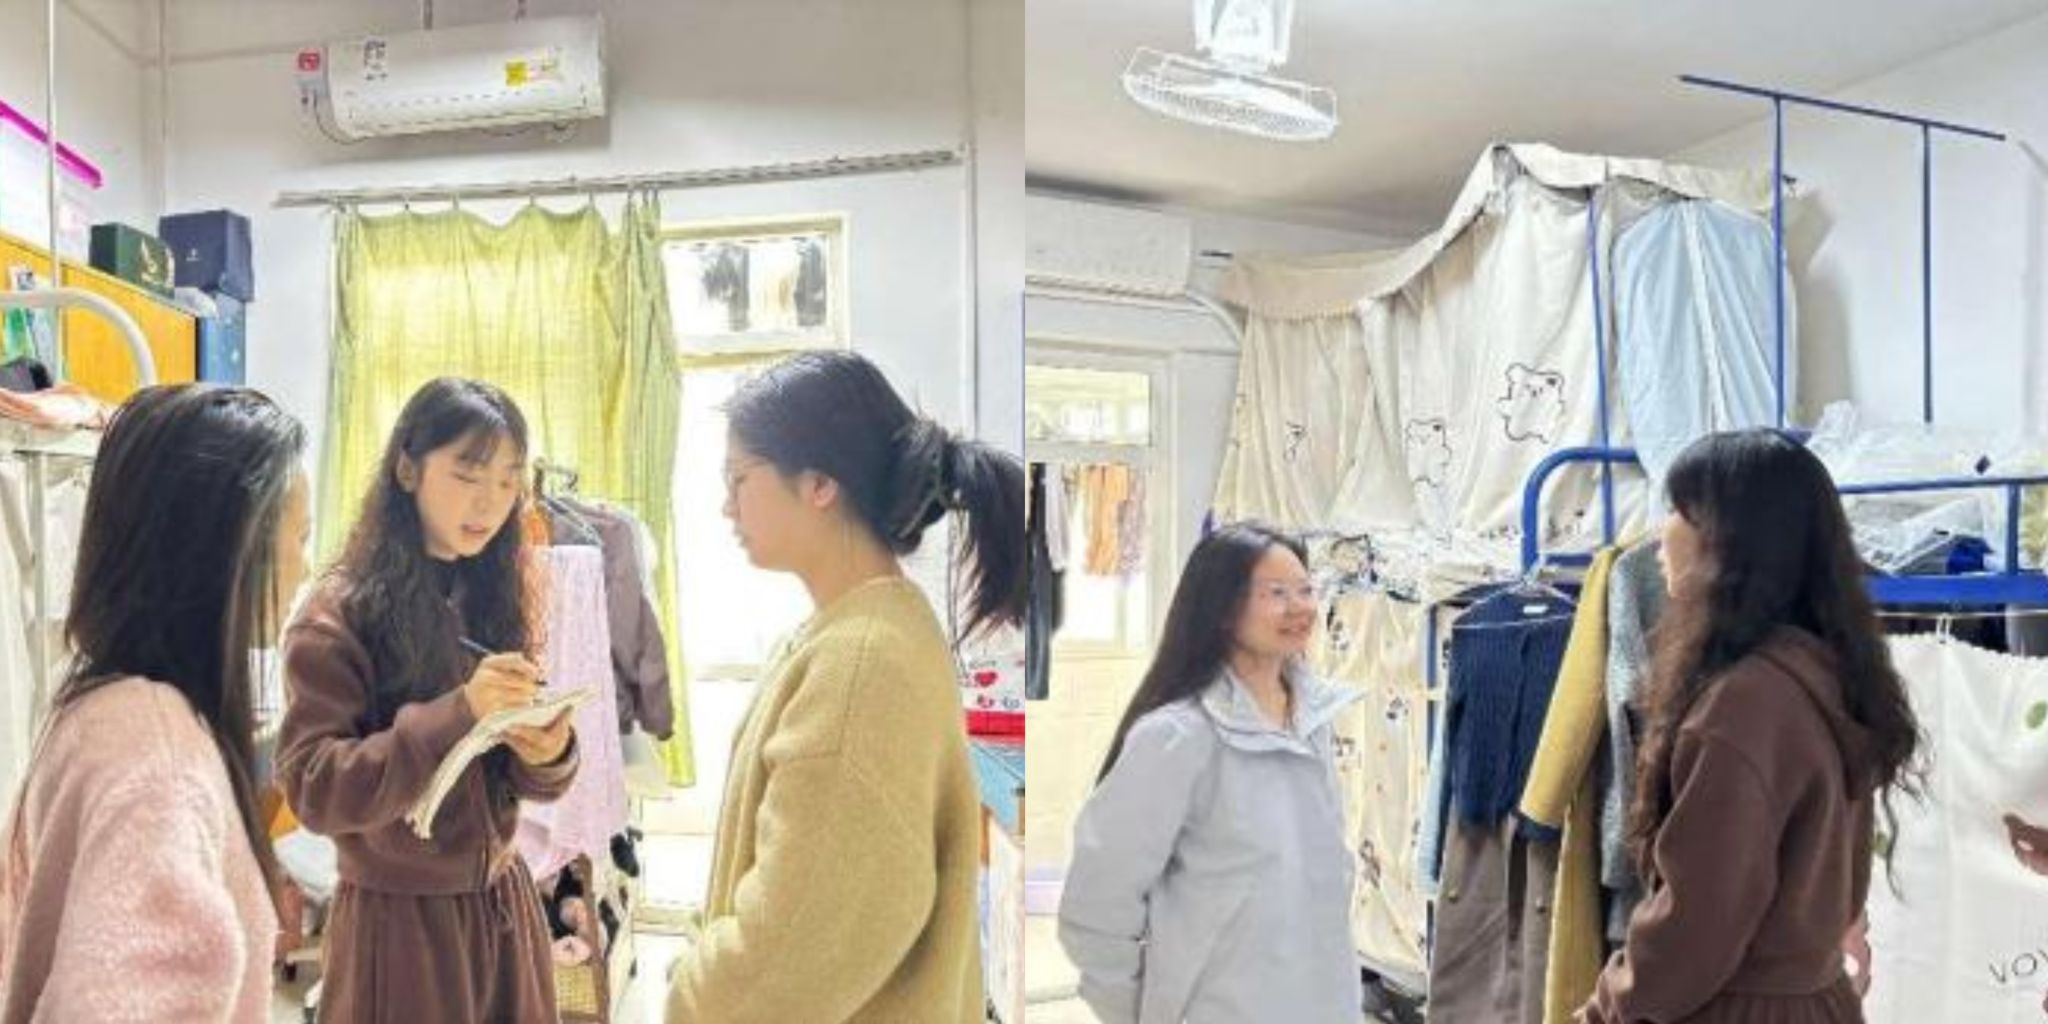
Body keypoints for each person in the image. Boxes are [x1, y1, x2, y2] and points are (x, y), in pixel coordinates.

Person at [665, 350, 1025, 1023]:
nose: (726, 505)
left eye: (739, 478)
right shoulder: (861, 630)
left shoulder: (860, 666)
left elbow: (793, 947)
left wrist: (692, 989)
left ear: (819, 483)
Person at [1579, 429, 1923, 1023]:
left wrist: (1605, 1006)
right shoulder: (1826, 673)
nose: (1660, 534)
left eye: (1678, 511)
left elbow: (1695, 928)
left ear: (1726, 539)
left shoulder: (1741, 705)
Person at [0, 385, 309, 1022]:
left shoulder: (104, 704)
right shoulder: (161, 764)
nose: (305, 570)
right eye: (300, 539)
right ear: (230, 550)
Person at [276, 377, 578, 1023]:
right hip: (401, 926)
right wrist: (459, 713)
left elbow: (520, 779)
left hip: (503, 903)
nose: (490, 502)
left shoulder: (491, 593)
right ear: (407, 469)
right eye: (468, 474)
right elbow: (314, 787)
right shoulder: (339, 613)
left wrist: (548, 751)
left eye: (509, 480)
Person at [1059, 522, 1363, 1024]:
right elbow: (1097, 904)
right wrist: (1138, 1013)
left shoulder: (1314, 719)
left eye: (1306, 590)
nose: (1300, 607)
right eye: (1277, 593)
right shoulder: (1176, 737)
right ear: (1222, 608)